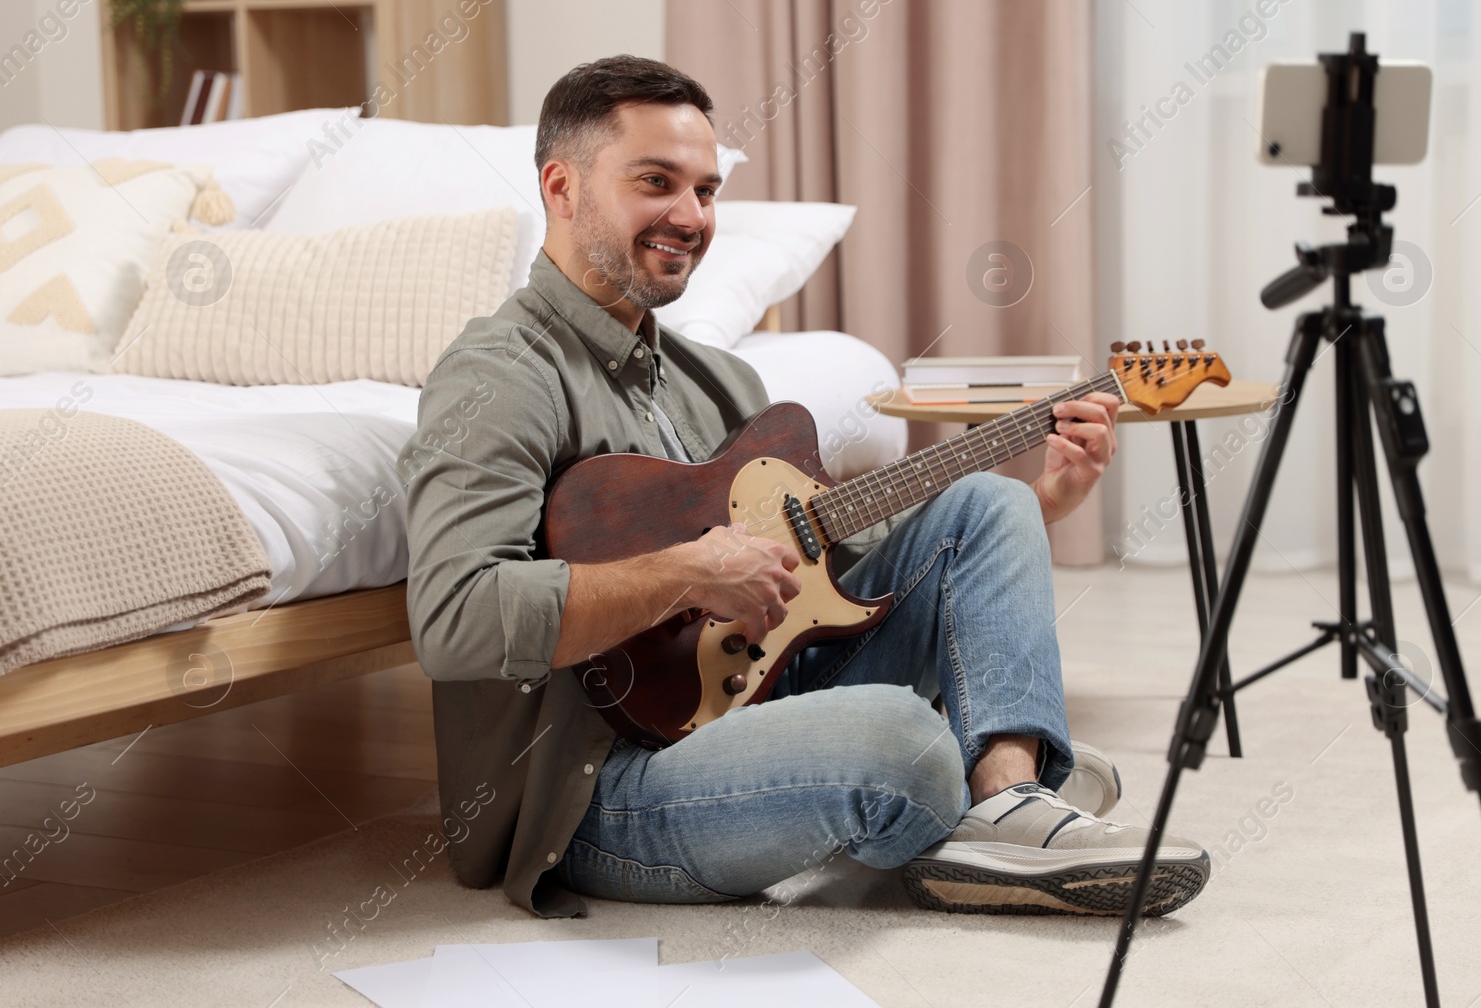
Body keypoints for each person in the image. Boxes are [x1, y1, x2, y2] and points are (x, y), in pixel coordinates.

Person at [400, 55, 1210, 921]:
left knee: (992, 501)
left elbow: (846, 572)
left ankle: (1003, 798)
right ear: (561, 188)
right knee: (904, 739)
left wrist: (1045, 502)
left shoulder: (718, 381)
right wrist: (687, 571)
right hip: (599, 792)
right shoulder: (496, 375)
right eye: (656, 182)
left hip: (762, 690)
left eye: (707, 190)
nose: (691, 216)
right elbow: (453, 618)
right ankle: (987, 766)